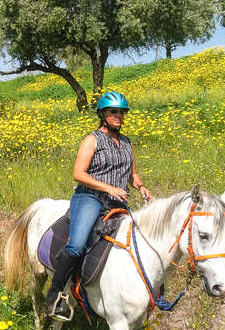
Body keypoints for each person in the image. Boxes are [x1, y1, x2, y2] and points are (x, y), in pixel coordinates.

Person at [45, 91, 152, 321]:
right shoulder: (92, 139)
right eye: (114, 111)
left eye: (122, 112)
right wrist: (108, 188)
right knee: (77, 244)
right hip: (90, 198)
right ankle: (55, 297)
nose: (119, 116)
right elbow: (78, 173)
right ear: (103, 114)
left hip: (117, 203)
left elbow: (132, 174)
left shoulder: (126, 142)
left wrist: (141, 186)